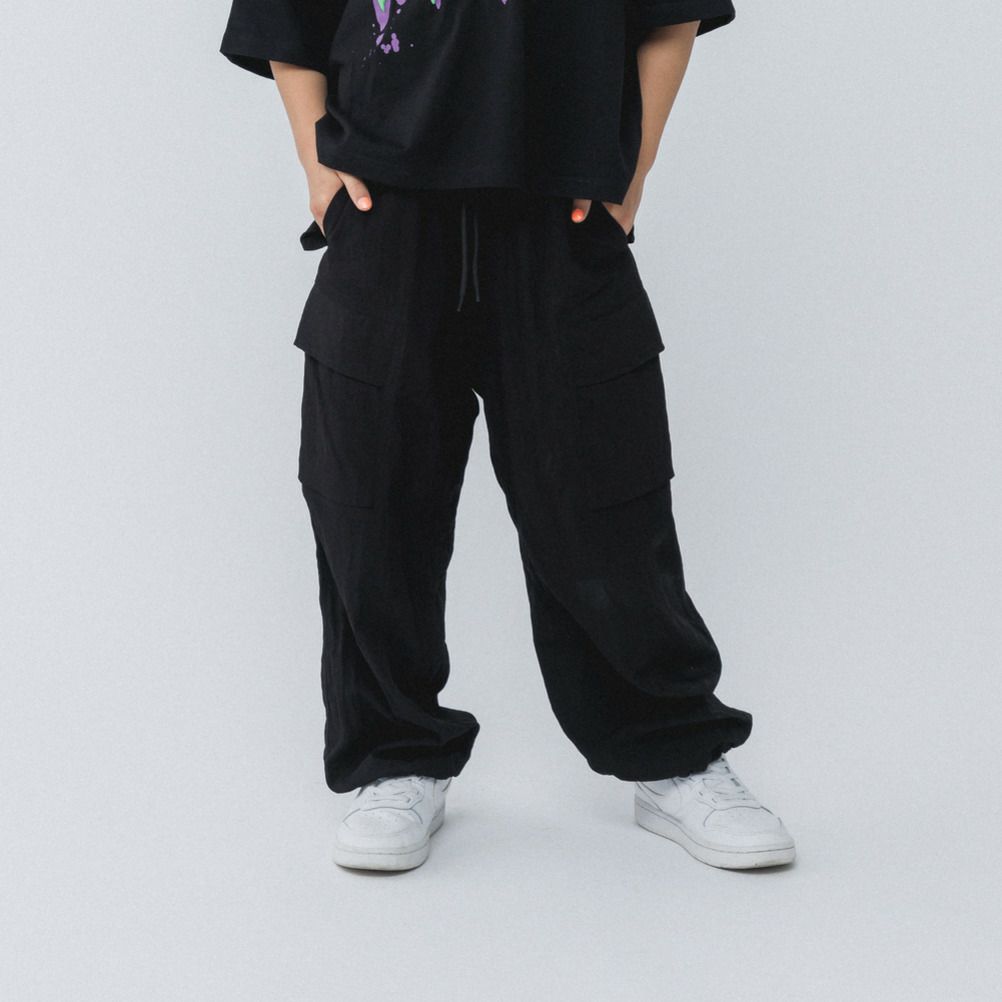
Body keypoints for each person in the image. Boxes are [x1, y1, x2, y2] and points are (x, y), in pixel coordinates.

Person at [219, 0, 795, 872]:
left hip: (561, 212)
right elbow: (285, 14)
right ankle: (395, 757)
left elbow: (673, 12)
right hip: (386, 204)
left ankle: (673, 751)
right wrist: (317, 165)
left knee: (604, 496)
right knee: (370, 496)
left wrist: (630, 174)